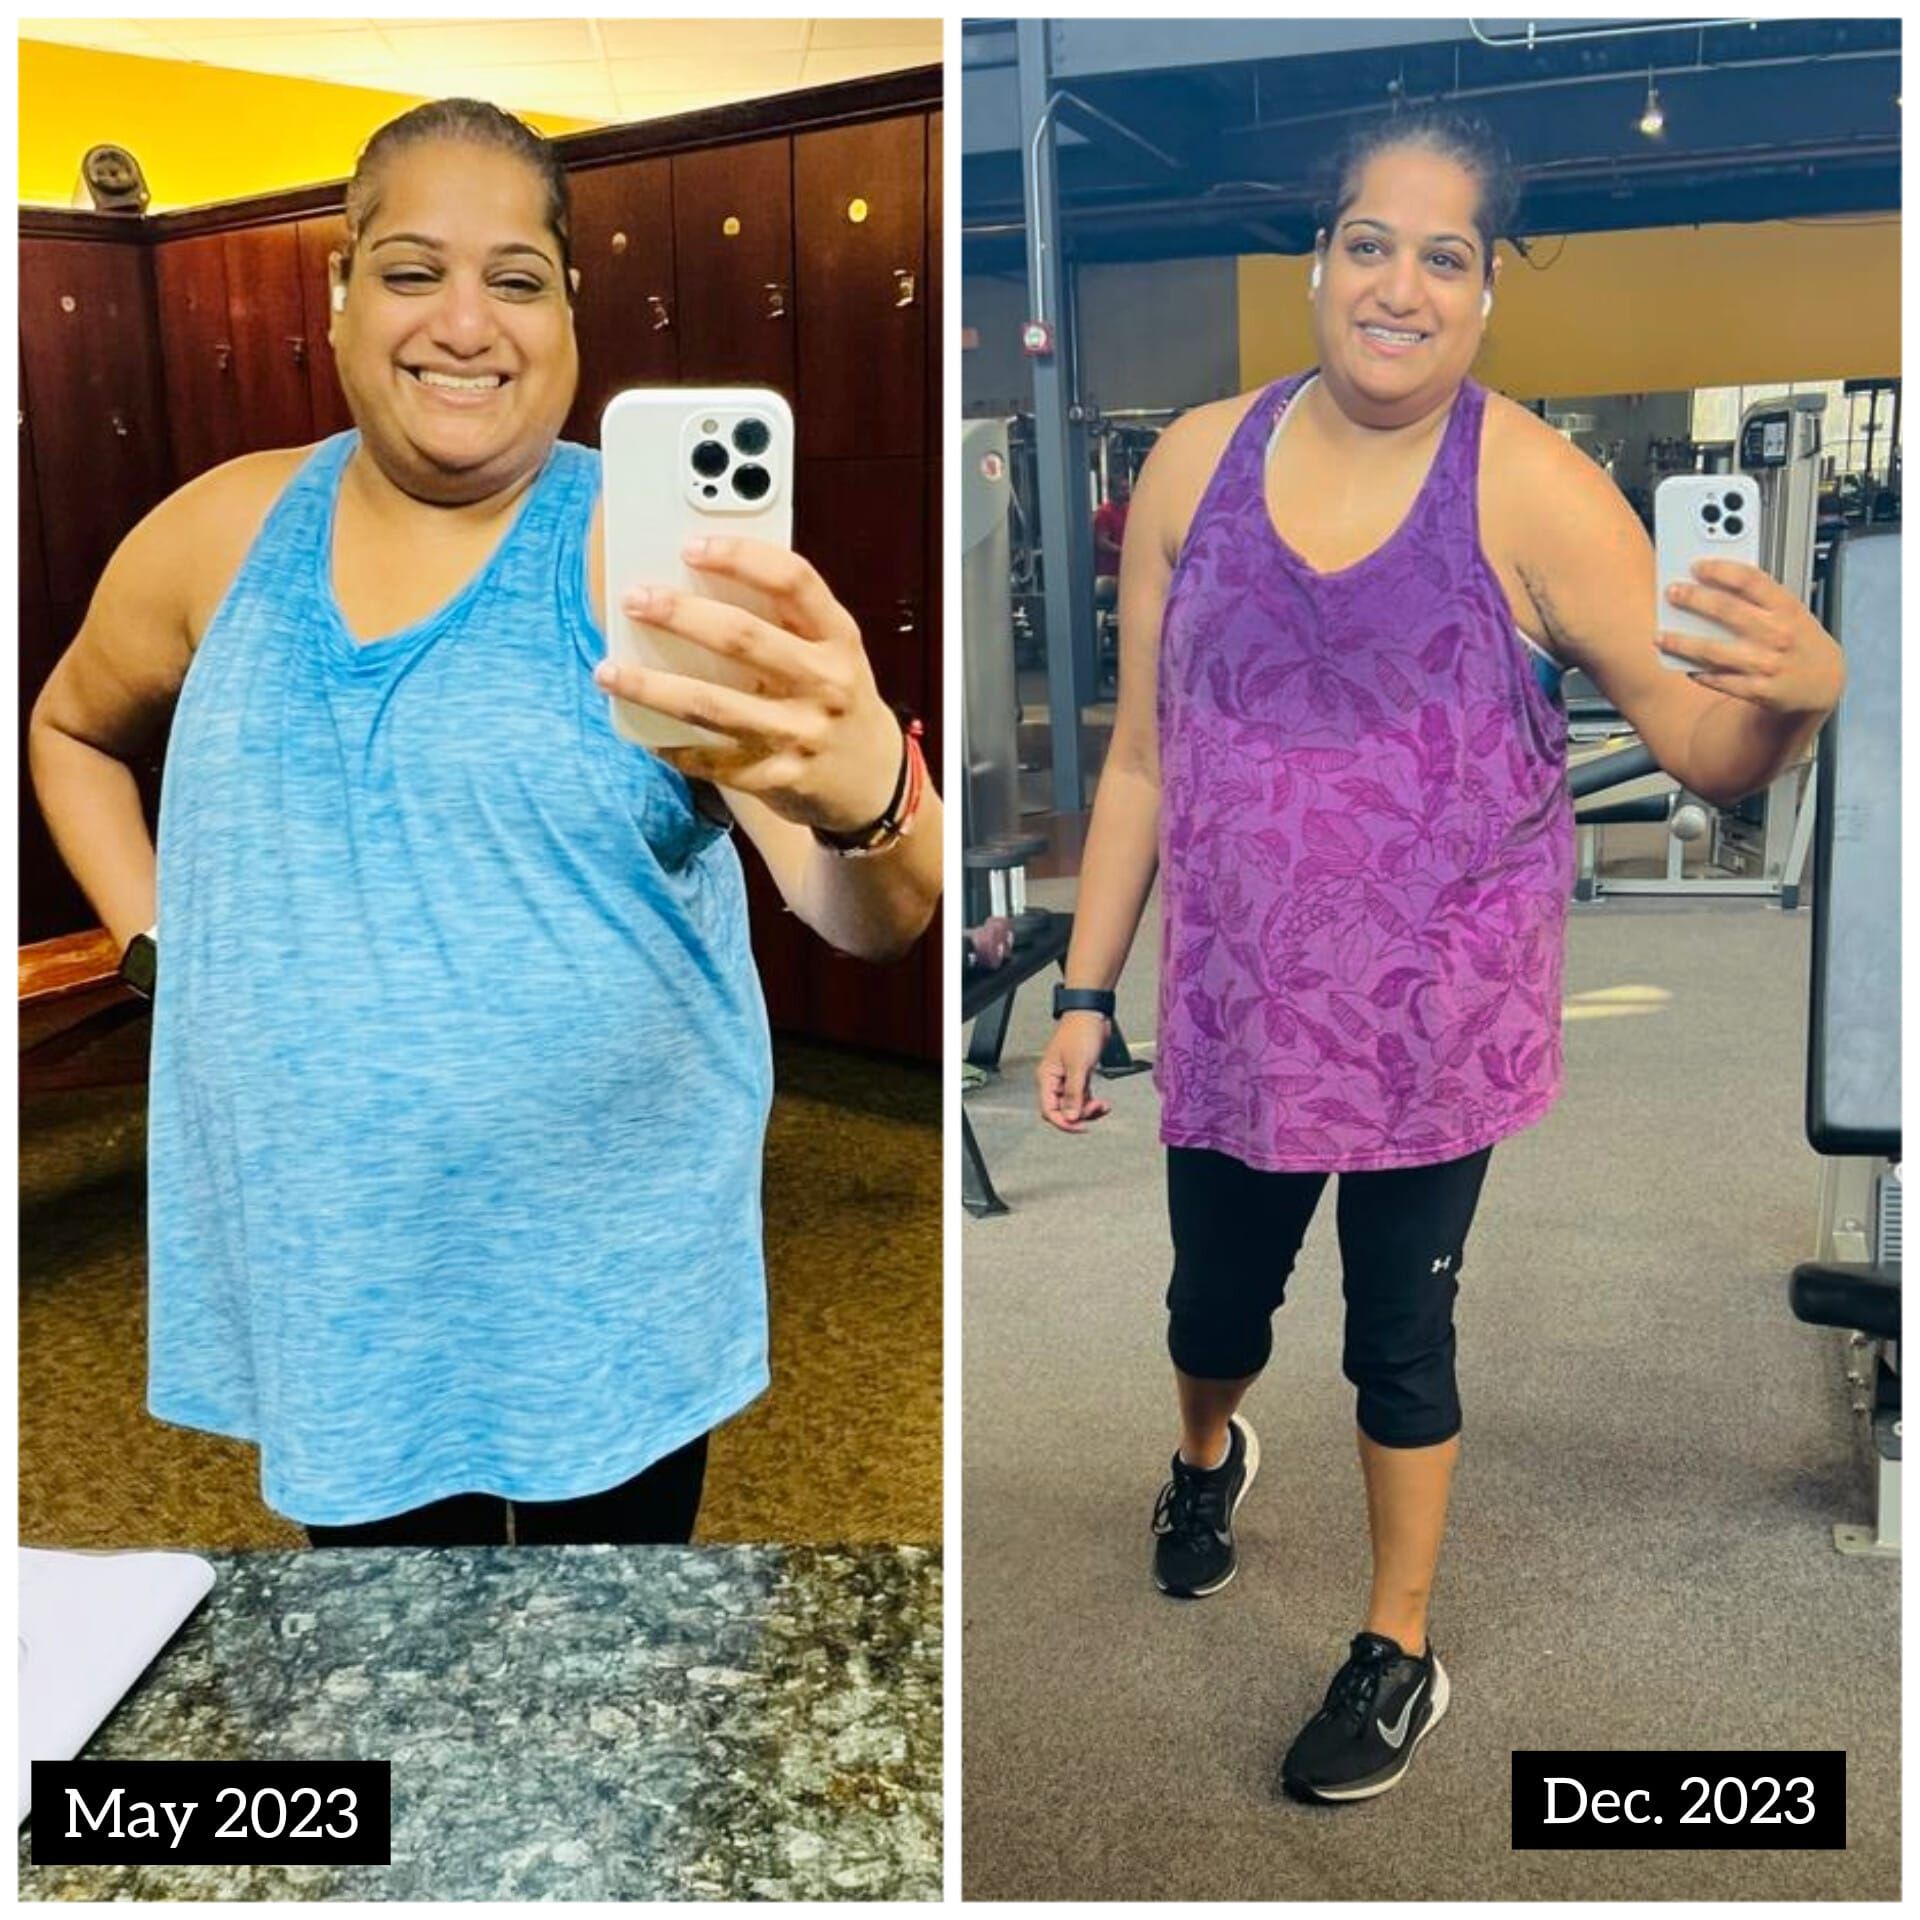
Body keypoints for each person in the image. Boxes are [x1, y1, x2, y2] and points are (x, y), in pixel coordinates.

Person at [1035, 109, 1843, 1804]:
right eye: (1371, 243)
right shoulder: (1195, 461)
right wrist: (1088, 986)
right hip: (1236, 1019)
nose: (1401, 283)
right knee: (1214, 1312)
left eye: (1447, 256)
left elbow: (1702, 751)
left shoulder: (1539, 490)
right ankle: (1206, 1454)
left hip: (1431, 1029)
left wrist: (1794, 708)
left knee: (1399, 1342)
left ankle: (1398, 1646)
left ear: (1486, 294)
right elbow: (1138, 761)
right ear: (1322, 260)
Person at [28, 99, 942, 1551]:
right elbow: (70, 731)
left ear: (571, 309)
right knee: (394, 1678)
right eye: (411, 269)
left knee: (608, 1691)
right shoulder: (216, 532)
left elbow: (870, 916)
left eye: (515, 277)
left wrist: (877, 807)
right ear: (338, 294)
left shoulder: (663, 573)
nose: (466, 322)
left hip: (606, 1287)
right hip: (340, 1270)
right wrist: (161, 949)